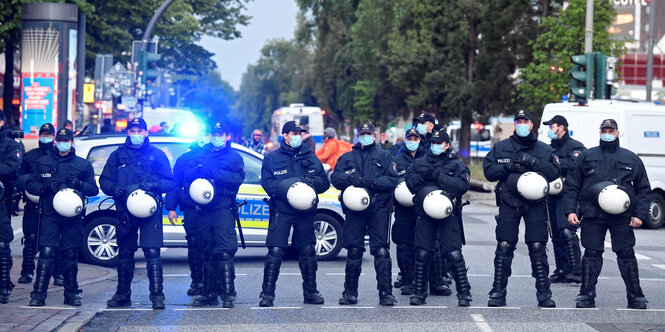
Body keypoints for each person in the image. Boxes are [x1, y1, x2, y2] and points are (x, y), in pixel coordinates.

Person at [562, 119, 651, 309]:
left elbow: (644, 189)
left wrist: (640, 215)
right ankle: (586, 295)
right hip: (593, 214)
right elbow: (572, 185)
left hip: (622, 215)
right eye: (604, 130)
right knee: (592, 253)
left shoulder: (631, 158)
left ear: (618, 133)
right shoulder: (587, 156)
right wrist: (570, 210)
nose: (607, 133)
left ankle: (636, 296)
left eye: (611, 130)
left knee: (626, 253)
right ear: (599, 132)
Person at [483, 109, 560, 307]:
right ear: (515, 124)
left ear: (532, 125)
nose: (522, 125)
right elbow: (488, 171)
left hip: (535, 205)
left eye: (526, 121)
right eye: (519, 121)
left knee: (537, 247)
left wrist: (535, 163)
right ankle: (498, 293)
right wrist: (507, 168)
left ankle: (544, 294)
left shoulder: (544, 150)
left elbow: (554, 173)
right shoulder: (501, 147)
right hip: (510, 202)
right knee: (504, 246)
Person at [100, 118, 176, 310]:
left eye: (139, 131)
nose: (136, 134)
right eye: (132, 131)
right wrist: (113, 189)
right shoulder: (117, 155)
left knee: (152, 251)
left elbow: (170, 182)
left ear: (146, 133)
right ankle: (122, 295)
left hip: (150, 210)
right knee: (125, 252)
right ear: (128, 132)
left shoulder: (157, 155)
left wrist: (155, 185)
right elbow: (105, 180)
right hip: (125, 211)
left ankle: (157, 296)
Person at [258, 120, 330, 307]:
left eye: (300, 133)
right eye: (294, 133)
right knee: (275, 250)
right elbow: (267, 183)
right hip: (282, 209)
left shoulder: (310, 156)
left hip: (305, 211)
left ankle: (311, 293)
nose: (298, 136)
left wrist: (311, 183)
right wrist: (288, 190)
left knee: (307, 250)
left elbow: (324, 183)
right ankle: (267, 294)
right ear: (285, 136)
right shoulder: (272, 158)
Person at [25, 129, 98, 306]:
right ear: (56, 141)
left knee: (70, 253)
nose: (63, 143)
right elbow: (31, 184)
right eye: (60, 140)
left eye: (67, 140)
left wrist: (80, 185)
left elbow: (93, 189)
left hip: (72, 217)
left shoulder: (83, 164)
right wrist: (44, 189)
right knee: (47, 252)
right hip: (50, 214)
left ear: (72, 142)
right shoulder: (43, 162)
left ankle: (72, 293)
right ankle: (38, 294)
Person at [331, 121, 399, 306]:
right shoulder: (347, 158)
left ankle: (386, 294)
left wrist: (374, 182)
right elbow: (335, 177)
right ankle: (350, 293)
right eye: (362, 134)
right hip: (355, 211)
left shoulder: (385, 156)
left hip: (378, 208)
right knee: (353, 251)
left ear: (374, 136)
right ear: (358, 136)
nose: (366, 136)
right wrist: (349, 179)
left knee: (381, 251)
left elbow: (393, 180)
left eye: (369, 134)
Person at [180, 122, 245, 308]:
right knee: (206, 252)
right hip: (203, 210)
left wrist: (215, 173)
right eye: (214, 133)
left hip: (223, 209)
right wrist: (199, 171)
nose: (216, 137)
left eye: (220, 134)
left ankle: (227, 294)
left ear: (227, 136)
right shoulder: (202, 153)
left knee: (224, 252)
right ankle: (209, 294)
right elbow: (186, 176)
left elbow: (237, 180)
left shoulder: (234, 157)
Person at [406, 128, 472, 306]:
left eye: (439, 144)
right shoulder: (420, 163)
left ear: (447, 145)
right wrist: (421, 178)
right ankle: (419, 293)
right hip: (425, 215)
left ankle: (464, 294)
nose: (435, 146)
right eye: (433, 143)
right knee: (422, 252)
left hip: (448, 215)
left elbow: (462, 186)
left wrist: (438, 176)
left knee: (453, 253)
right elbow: (410, 185)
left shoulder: (456, 165)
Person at [165, 125, 211, 297]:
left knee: (212, 245)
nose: (204, 137)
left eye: (206, 134)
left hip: (212, 209)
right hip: (191, 208)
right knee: (194, 244)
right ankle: (197, 281)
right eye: (201, 134)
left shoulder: (215, 157)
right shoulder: (184, 159)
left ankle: (213, 282)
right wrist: (171, 208)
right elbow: (175, 184)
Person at [542, 115, 586, 284]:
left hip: (569, 195)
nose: (550, 130)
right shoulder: (548, 149)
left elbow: (576, 166)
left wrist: (555, 164)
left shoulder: (575, 146)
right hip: (551, 195)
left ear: (562, 128)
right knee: (556, 234)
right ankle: (562, 269)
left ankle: (577, 269)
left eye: (552, 126)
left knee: (567, 231)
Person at [16, 123, 55, 284]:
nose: (45, 137)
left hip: (53, 205)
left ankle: (57, 274)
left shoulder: (57, 156)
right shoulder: (30, 156)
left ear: (53, 137)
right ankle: (27, 272)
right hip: (32, 203)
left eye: (48, 135)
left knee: (53, 241)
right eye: (43, 134)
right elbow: (20, 177)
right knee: (30, 238)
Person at [391, 128, 425, 296]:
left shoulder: (426, 158)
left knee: (423, 245)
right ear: (405, 139)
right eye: (409, 138)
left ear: (420, 140)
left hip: (423, 209)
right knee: (404, 244)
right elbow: (391, 180)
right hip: (403, 209)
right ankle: (406, 281)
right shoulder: (396, 160)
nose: (412, 141)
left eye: (415, 138)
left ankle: (421, 281)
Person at [0, 112, 21, 304]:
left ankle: (3, 286)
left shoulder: (10, 145)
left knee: (2, 244)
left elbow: (10, 168)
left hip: (1, 201)